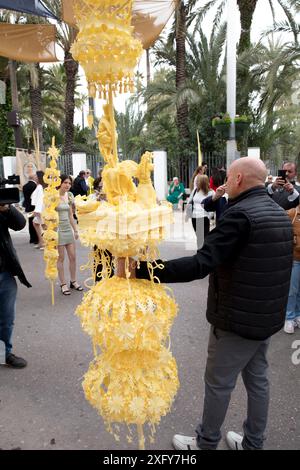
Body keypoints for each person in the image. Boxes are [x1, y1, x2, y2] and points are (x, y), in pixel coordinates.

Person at [117, 157, 294, 450]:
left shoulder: (240, 215)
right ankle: (253, 442)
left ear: (237, 180)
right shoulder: (277, 211)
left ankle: (206, 442)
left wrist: (145, 270)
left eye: (229, 177)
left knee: (219, 383)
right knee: (258, 381)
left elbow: (201, 263)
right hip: (265, 318)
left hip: (237, 321)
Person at [0, 204, 31, 368]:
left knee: (6, 319)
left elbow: (20, 224)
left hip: (4, 272)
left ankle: (4, 354)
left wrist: (7, 209)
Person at [57, 175, 83, 295]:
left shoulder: (70, 195)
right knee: (61, 258)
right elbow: (48, 215)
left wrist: (76, 230)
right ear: (60, 183)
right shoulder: (52, 196)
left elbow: (71, 215)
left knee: (73, 257)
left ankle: (73, 281)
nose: (67, 185)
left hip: (68, 229)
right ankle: (63, 284)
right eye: (65, 182)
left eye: (69, 183)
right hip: (58, 230)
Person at [186, 175, 214, 249]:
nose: (196, 182)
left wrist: (209, 216)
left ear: (202, 182)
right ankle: (201, 253)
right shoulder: (195, 190)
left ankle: (202, 254)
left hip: (203, 217)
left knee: (203, 238)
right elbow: (190, 201)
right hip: (194, 217)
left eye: (198, 181)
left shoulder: (211, 193)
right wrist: (189, 214)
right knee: (199, 237)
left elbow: (213, 206)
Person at [284, 204, 300, 333]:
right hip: (294, 259)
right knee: (292, 290)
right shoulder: (291, 213)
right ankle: (289, 317)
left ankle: (298, 315)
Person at [31, 171, 46, 249]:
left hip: (41, 209)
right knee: (36, 223)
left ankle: (45, 243)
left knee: (44, 226)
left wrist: (37, 210)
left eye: (36, 175)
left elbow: (40, 199)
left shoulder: (40, 187)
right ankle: (41, 242)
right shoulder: (39, 186)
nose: (34, 176)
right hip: (39, 208)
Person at [22, 173, 38, 245]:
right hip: (34, 208)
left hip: (28, 208)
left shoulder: (24, 186)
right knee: (36, 223)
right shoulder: (35, 186)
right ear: (34, 177)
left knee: (30, 223)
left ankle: (32, 238)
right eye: (36, 177)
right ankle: (36, 239)